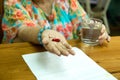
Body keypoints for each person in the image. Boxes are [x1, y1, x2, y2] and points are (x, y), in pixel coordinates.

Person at [2, 0, 110, 56]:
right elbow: (22, 29)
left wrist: (97, 31)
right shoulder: (14, 2)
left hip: (68, 62)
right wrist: (43, 33)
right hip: (24, 63)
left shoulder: (66, 1)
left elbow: (83, 23)